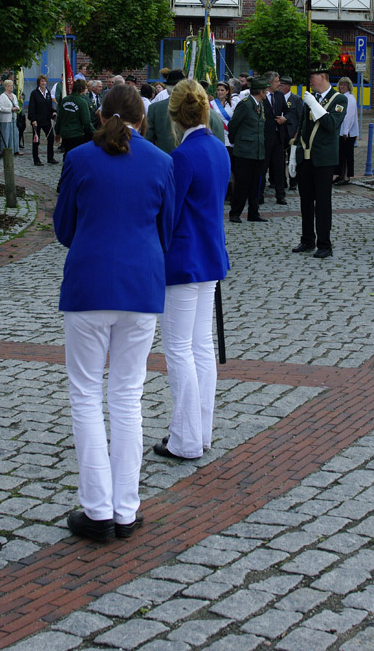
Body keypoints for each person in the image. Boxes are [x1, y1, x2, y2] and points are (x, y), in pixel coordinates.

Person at [54, 84, 174, 543]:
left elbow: (64, 227)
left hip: (89, 282)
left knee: (86, 394)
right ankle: (125, 508)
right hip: (141, 284)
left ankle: (98, 509)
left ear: (100, 116)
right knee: (127, 397)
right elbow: (166, 230)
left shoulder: (80, 158)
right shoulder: (161, 162)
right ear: (142, 120)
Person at [154, 80, 230, 461]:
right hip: (210, 255)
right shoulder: (218, 147)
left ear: (175, 117)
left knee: (179, 347)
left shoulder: (182, 156)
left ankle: (184, 440)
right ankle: (200, 432)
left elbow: (168, 214)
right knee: (200, 345)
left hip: (184, 260)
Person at [289, 63, 347, 258]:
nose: (310, 81)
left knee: (322, 203)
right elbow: (303, 127)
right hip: (306, 158)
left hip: (324, 160)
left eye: (312, 77)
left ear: (322, 76)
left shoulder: (339, 99)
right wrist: (294, 154)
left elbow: (331, 124)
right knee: (305, 201)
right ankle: (307, 239)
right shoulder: (311, 98)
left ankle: (324, 243)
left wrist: (314, 104)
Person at [227, 76, 268, 222]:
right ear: (260, 91)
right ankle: (235, 213)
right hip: (244, 151)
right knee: (242, 183)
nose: (266, 93)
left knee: (255, 184)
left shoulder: (260, 104)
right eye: (265, 91)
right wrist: (236, 141)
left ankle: (253, 212)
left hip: (257, 151)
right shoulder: (245, 104)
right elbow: (233, 124)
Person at [261, 72, 288, 205]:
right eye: (277, 81)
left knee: (279, 168)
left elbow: (288, 111)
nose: (279, 84)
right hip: (265, 138)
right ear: (269, 83)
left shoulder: (279, 95)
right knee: (262, 168)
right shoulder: (261, 96)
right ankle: (259, 195)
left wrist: (285, 118)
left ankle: (280, 195)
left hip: (278, 137)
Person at [146, 70, 185, 153]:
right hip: (188, 157)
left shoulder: (154, 108)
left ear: (167, 88)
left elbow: (148, 139)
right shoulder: (194, 108)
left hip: (163, 156)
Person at [56, 79, 95, 161]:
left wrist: (57, 132)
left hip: (65, 133)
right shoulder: (82, 102)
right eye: (86, 88)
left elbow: (60, 118)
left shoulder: (65, 100)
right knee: (76, 157)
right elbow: (86, 122)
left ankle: (66, 167)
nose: (86, 90)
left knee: (67, 154)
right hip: (76, 134)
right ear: (81, 89)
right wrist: (94, 132)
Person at [279, 76, 303, 191]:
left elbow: (300, 117)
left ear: (288, 87)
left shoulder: (296, 99)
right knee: (280, 159)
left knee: (293, 157)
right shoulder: (277, 98)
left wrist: (298, 133)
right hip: (280, 132)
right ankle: (282, 181)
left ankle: (293, 181)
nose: (279, 87)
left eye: (282, 85)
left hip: (292, 133)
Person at [28, 75, 58, 166]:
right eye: (42, 81)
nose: (43, 83)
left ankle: (50, 158)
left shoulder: (48, 92)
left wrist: (53, 112)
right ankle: (36, 159)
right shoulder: (34, 93)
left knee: (51, 138)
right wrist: (33, 119)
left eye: (45, 81)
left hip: (46, 120)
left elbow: (49, 106)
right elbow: (31, 107)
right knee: (36, 140)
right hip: (37, 120)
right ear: (39, 83)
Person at [335, 76, 359, 185]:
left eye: (345, 85)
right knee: (341, 154)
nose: (342, 87)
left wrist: (345, 131)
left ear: (349, 86)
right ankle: (340, 174)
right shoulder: (341, 97)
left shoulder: (350, 98)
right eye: (341, 84)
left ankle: (346, 176)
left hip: (348, 132)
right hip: (341, 131)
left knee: (347, 155)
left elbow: (349, 116)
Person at [0, 79, 21, 154]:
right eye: (9, 86)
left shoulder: (14, 96)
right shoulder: (2, 96)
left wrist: (17, 108)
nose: (11, 87)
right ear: (6, 87)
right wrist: (11, 109)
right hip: (5, 119)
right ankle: (5, 150)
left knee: (14, 134)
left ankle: (15, 150)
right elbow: (1, 108)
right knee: (6, 135)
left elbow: (17, 104)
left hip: (13, 118)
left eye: (12, 85)